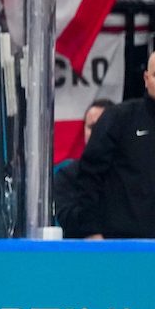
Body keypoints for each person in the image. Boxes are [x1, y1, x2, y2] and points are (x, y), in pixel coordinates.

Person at [74, 46, 155, 239]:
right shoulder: (118, 118)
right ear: (146, 79)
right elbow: (89, 176)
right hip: (117, 246)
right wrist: (91, 231)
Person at [54, 99, 113, 239]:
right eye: (92, 127)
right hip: (80, 254)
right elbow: (67, 219)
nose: (96, 133)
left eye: (102, 126)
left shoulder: (132, 174)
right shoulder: (66, 175)